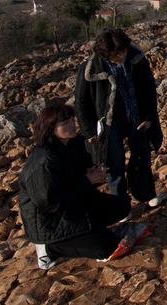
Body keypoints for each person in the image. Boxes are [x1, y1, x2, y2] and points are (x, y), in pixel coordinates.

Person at [19, 101, 147, 268]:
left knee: (121, 207)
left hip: (74, 205)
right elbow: (50, 203)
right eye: (65, 123)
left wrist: (96, 173)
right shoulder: (43, 162)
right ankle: (50, 248)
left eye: (72, 120)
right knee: (107, 248)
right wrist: (87, 181)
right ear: (50, 129)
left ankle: (89, 233)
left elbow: (82, 172)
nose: (72, 125)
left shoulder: (72, 144)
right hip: (50, 223)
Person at [74, 29, 162, 204]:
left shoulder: (136, 58)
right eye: (116, 54)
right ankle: (120, 203)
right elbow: (81, 101)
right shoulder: (91, 67)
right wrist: (90, 131)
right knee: (114, 162)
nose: (121, 56)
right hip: (108, 122)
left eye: (123, 51)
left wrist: (149, 116)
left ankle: (145, 194)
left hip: (136, 116)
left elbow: (149, 89)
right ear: (106, 54)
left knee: (141, 155)